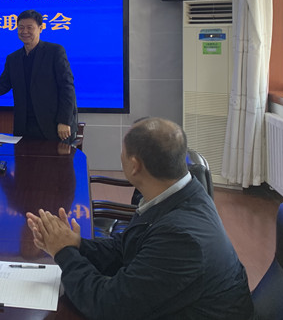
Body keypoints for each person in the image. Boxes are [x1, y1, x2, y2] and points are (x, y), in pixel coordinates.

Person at [26, 118, 253, 320]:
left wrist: (64, 252)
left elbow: (107, 306)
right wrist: (77, 244)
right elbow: (125, 248)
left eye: (122, 153)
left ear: (135, 166)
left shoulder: (181, 240)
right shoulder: (180, 193)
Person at [0, 9, 77, 147]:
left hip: (54, 126)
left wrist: (64, 121)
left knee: (54, 161)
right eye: (21, 27)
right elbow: (1, 86)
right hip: (24, 127)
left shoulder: (54, 52)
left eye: (29, 27)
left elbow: (67, 87)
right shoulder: (13, 58)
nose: (24, 31)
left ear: (40, 28)